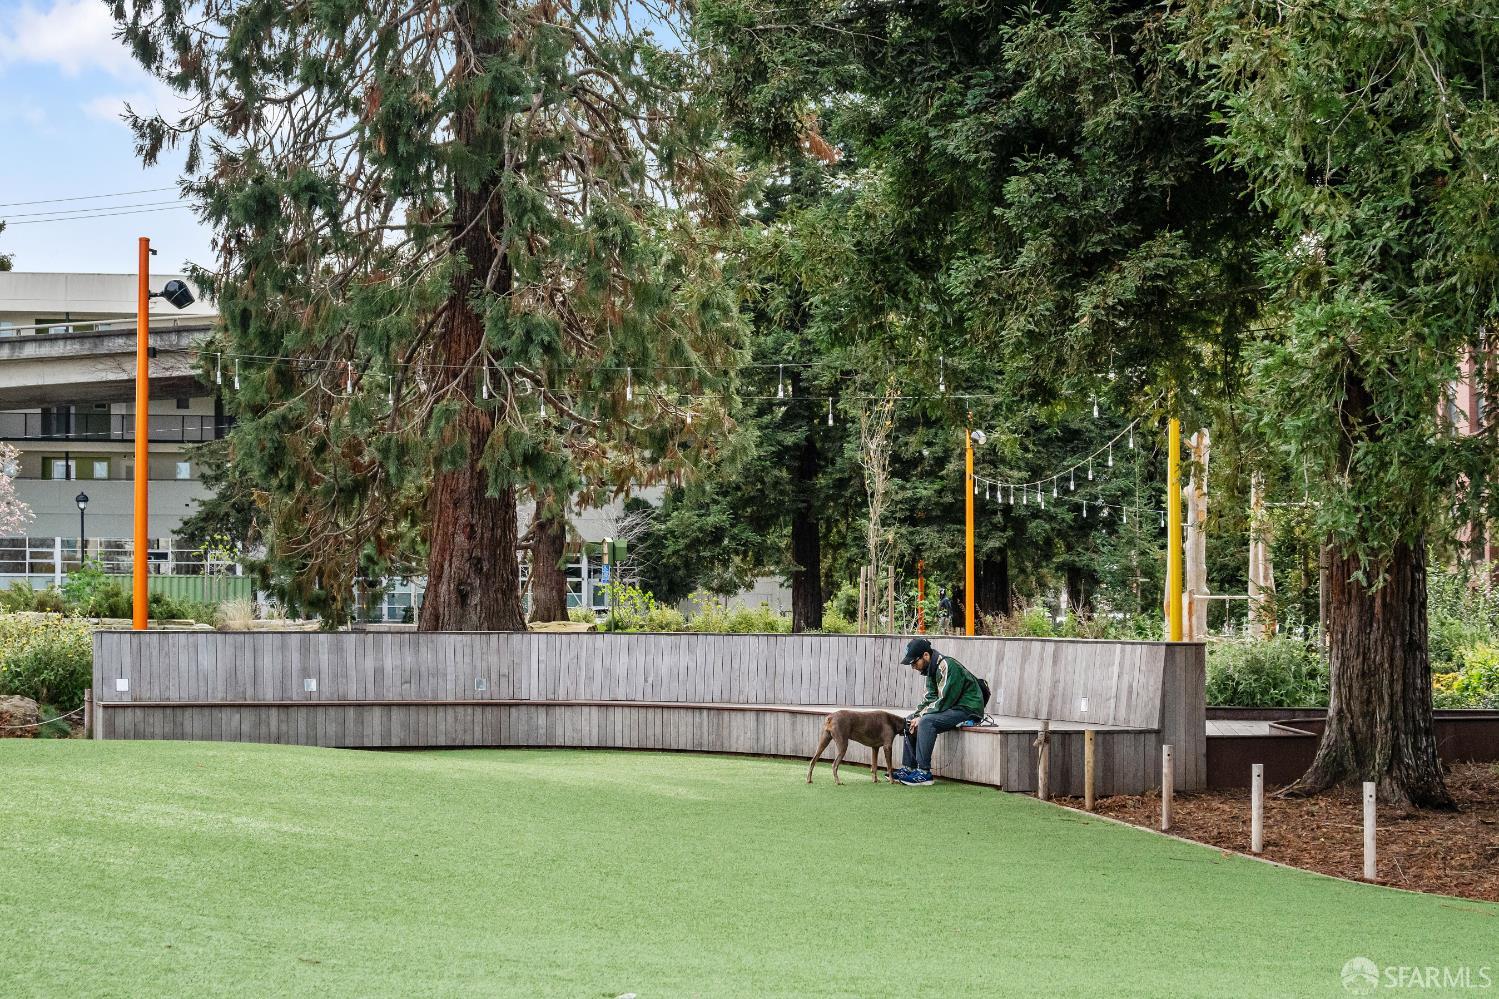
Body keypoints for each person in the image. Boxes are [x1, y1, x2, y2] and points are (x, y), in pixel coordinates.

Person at [891, 637, 986, 786]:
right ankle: (909, 768)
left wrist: (921, 717)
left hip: (967, 709)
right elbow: (930, 698)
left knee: (926, 721)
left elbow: (944, 700)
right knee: (910, 719)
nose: (913, 667)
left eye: (915, 662)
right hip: (951, 707)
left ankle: (924, 773)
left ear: (926, 656)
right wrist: (916, 716)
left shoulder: (947, 665)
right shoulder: (930, 669)